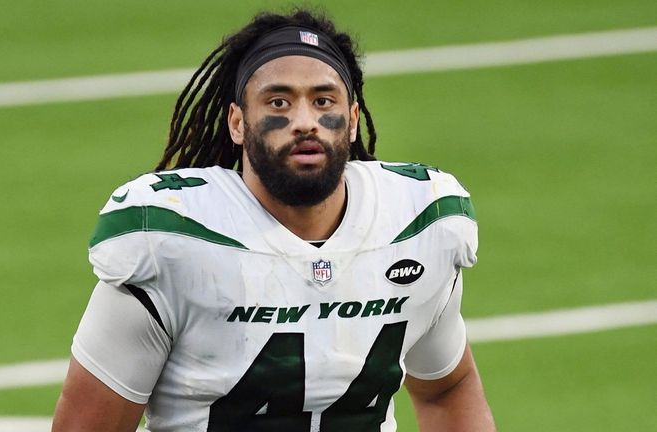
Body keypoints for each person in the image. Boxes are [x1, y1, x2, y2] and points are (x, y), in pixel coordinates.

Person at [52, 8, 496, 432]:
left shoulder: (417, 225)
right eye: (278, 102)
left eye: (324, 100)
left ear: (353, 119)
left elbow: (446, 388)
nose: (305, 122)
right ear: (238, 123)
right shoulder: (169, 240)